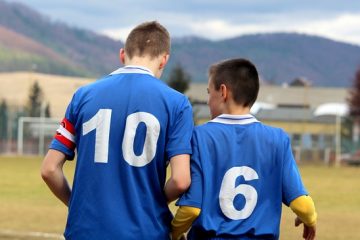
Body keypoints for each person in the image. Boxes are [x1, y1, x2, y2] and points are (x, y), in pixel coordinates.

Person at [41, 21, 193, 240]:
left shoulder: (83, 96)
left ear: (122, 54)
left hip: (85, 230)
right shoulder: (177, 103)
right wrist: (149, 204)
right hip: (144, 231)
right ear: (164, 59)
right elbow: (180, 180)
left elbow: (49, 169)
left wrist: (78, 206)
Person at [171, 58, 317, 240]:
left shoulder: (199, 137)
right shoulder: (278, 139)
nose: (208, 101)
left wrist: (174, 233)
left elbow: (191, 209)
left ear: (223, 91)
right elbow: (303, 205)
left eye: (209, 93)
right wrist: (310, 220)